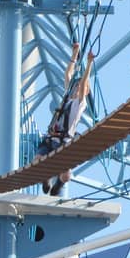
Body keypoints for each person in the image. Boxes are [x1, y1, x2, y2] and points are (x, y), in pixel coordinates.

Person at [38, 43, 96, 195]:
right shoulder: (67, 97)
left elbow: (83, 83)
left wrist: (89, 63)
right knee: (38, 160)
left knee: (66, 175)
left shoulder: (79, 104)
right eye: (75, 87)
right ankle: (46, 179)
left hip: (64, 142)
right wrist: (74, 54)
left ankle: (58, 184)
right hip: (51, 138)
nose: (76, 88)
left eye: (79, 88)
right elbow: (68, 75)